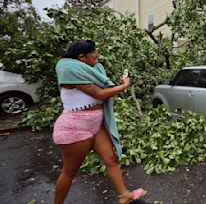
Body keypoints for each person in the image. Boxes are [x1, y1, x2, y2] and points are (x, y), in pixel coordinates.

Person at [53, 40, 147, 204]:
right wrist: (124, 86)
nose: (97, 61)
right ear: (81, 57)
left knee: (111, 158)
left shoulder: (86, 70)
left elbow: (99, 82)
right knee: (69, 172)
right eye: (94, 58)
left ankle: (124, 195)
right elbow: (99, 93)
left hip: (95, 125)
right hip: (75, 127)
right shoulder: (71, 71)